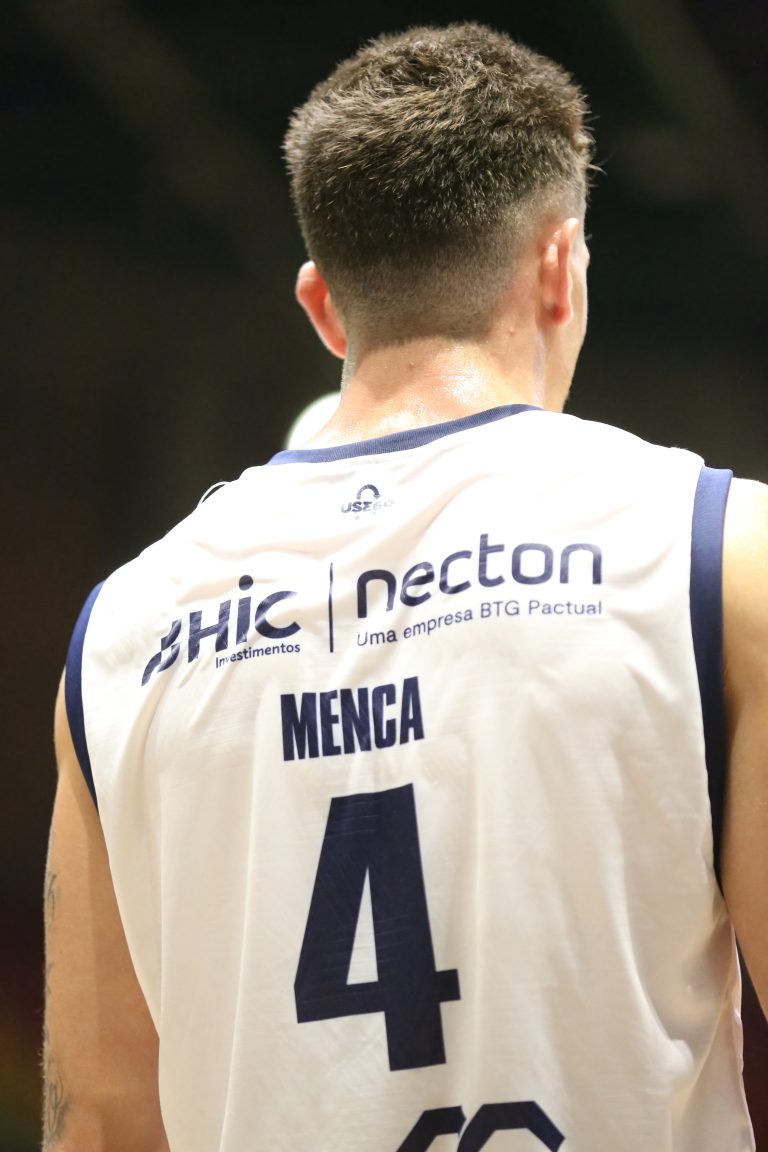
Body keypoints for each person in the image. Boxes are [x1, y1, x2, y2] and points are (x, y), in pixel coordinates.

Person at [44, 22, 768, 1152]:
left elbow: (101, 1120)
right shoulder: (720, 555)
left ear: (323, 306)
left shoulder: (124, 631)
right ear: (560, 268)